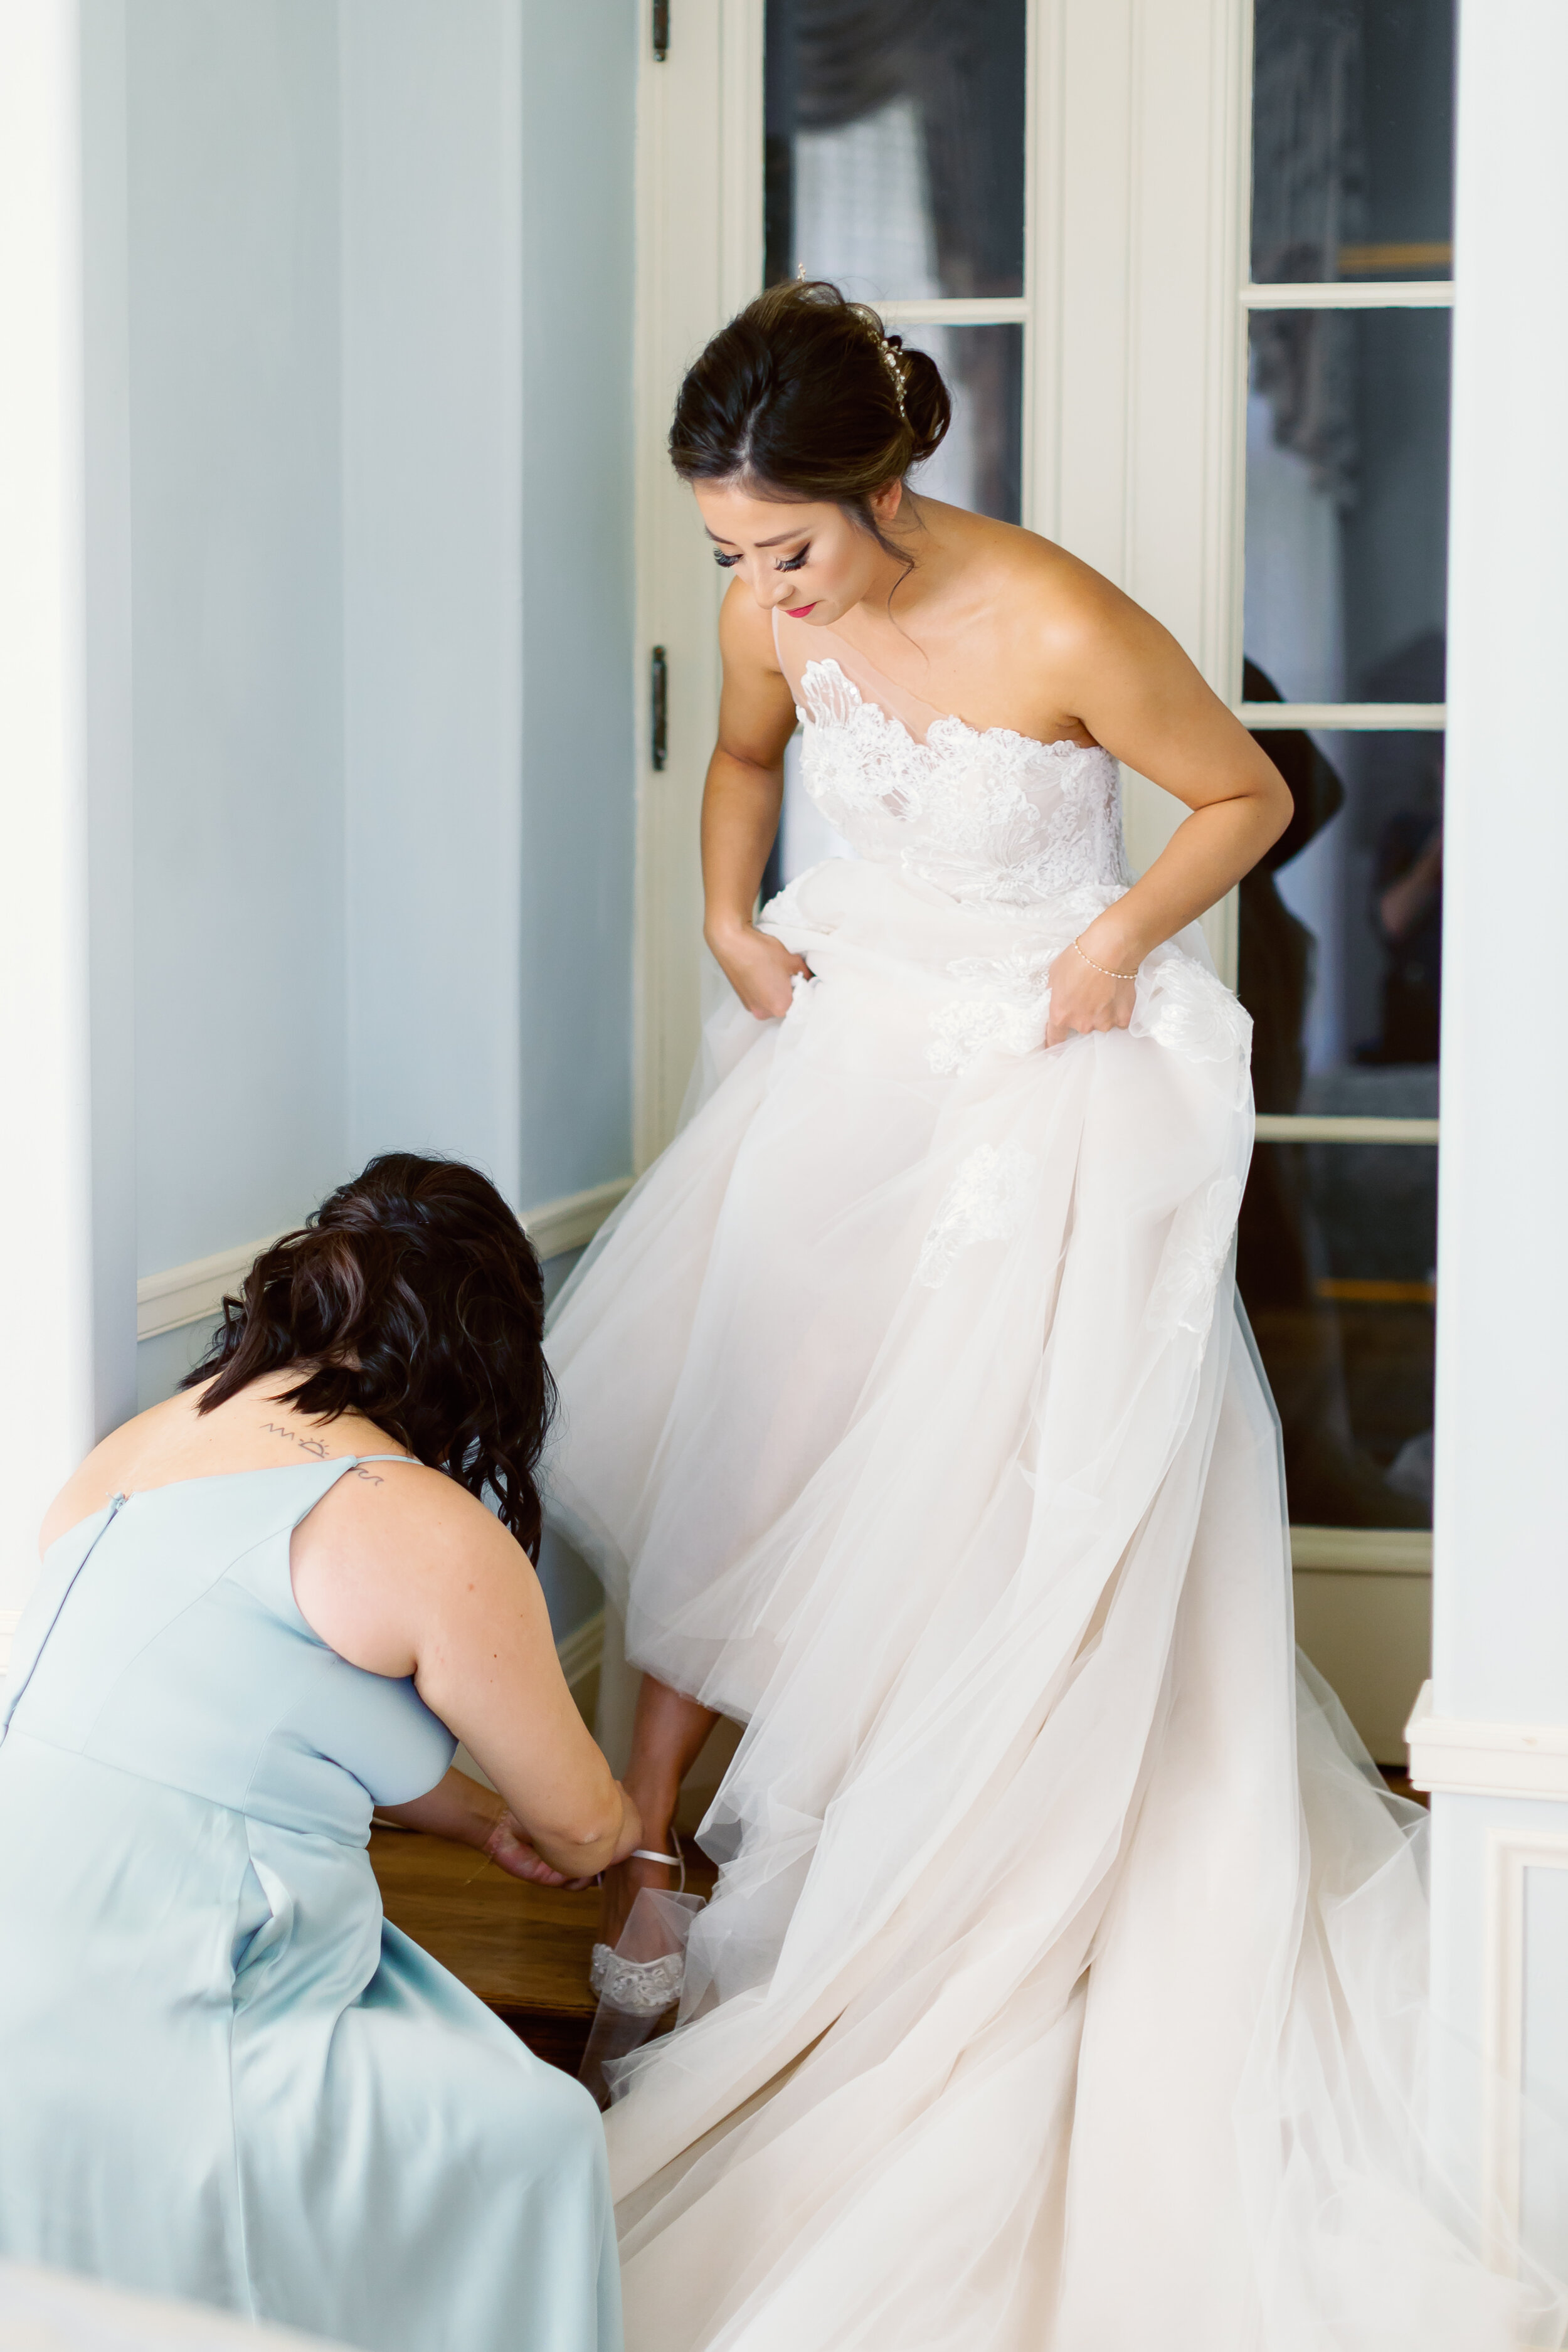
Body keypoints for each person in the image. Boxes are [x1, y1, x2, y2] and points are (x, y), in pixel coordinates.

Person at [543, 285, 1564, 2350]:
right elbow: (743, 769)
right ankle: (648, 1854)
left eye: (790, 550)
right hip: (849, 1067)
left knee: (999, 1490)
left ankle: (956, 1871)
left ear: (888, 486)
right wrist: (730, 921)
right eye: (732, 556)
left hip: (1033, 1077)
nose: (764, 594)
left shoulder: (1063, 621)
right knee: (747, 1435)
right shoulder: (772, 613)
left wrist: (1109, 946)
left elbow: (1251, 800)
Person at [0, 1153, 635, 2352]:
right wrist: (590, 1824)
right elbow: (587, 1823)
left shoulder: (151, 1438)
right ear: (489, 1350)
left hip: (31, 1920)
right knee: (543, 2134)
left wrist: (470, 1816)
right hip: (175, 1974)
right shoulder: (417, 1520)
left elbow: (252, 1723)